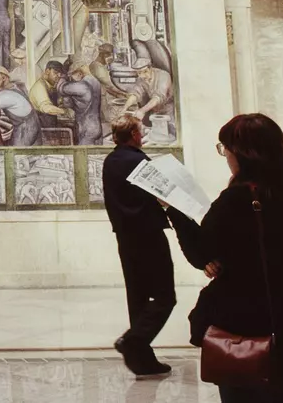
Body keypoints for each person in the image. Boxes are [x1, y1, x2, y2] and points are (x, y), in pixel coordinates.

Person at [183, 114, 283, 403]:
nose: (226, 156)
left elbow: (200, 251)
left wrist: (174, 211)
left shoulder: (236, 199)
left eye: (226, 148)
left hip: (245, 333)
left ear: (244, 153)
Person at [103, 116, 182, 377]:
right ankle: (133, 340)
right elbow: (163, 193)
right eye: (140, 130)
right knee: (165, 296)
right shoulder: (139, 161)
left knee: (137, 298)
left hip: (125, 238)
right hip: (148, 235)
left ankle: (142, 360)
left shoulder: (110, 161)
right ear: (135, 134)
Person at [60, 61, 105, 146]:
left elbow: (62, 89)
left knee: (83, 157)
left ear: (78, 72)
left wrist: (63, 78)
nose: (72, 78)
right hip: (96, 125)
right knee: (96, 157)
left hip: (87, 128)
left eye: (71, 74)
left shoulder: (82, 86)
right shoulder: (95, 82)